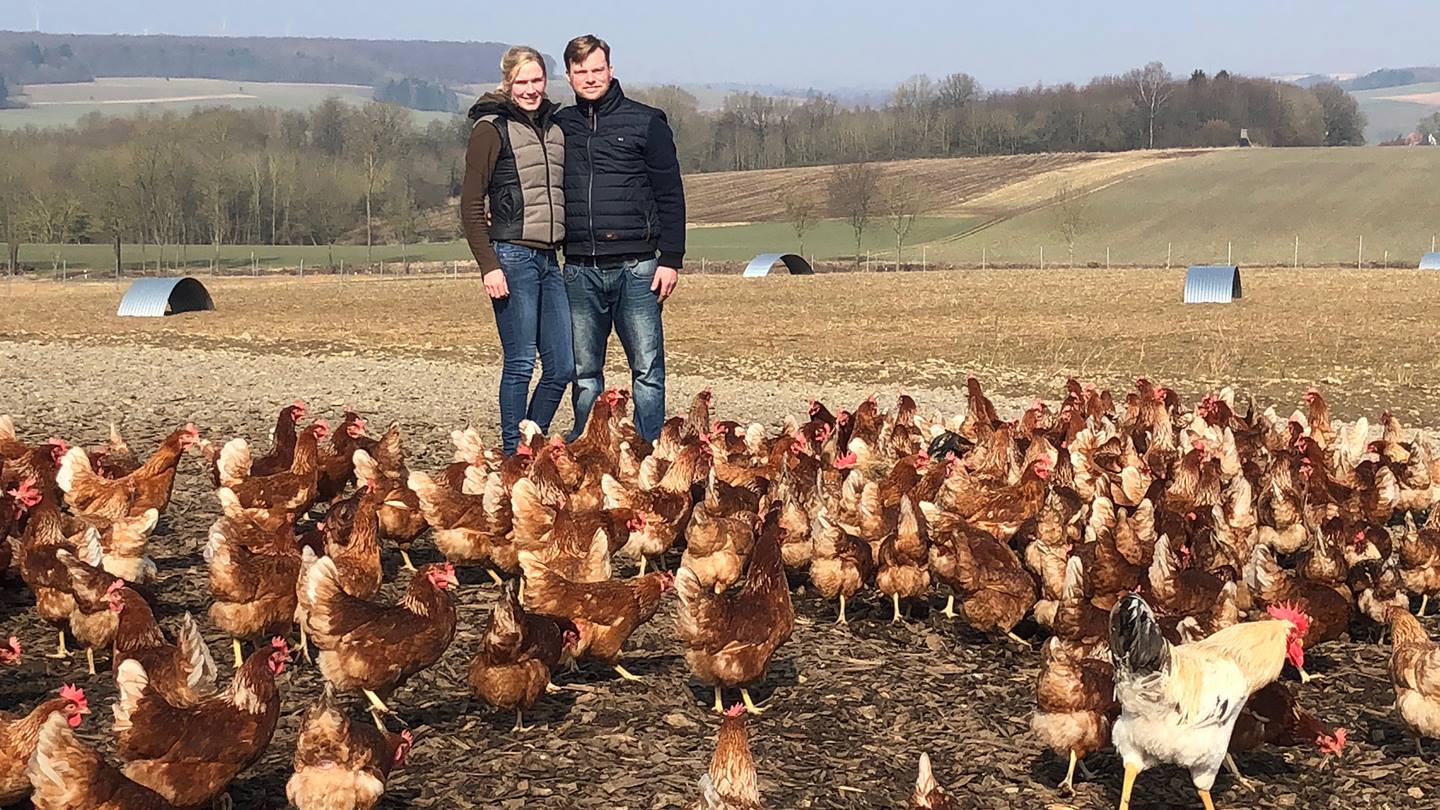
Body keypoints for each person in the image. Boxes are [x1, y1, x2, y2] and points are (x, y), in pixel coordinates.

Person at [555, 34, 685, 443]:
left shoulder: (646, 121)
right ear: (569, 76)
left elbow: (670, 192)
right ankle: (587, 450)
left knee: (647, 368)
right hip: (579, 267)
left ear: (611, 71)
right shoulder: (560, 127)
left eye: (597, 70)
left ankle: (646, 451)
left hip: (638, 267)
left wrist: (672, 259)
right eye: (581, 72)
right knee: (584, 371)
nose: (590, 78)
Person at [461, 45, 572, 454]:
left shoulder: (555, 127)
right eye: (522, 81)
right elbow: (471, 203)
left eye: (537, 80)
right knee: (521, 363)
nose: (531, 89)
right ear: (508, 83)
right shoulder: (491, 129)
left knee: (563, 366)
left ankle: (531, 440)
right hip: (511, 256)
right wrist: (488, 265)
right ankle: (513, 453)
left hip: (550, 259)